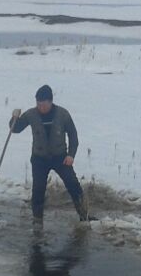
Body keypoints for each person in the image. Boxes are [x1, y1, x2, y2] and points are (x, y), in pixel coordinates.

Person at [9, 84, 92, 222]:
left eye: (43, 104)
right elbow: (15, 128)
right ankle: (37, 220)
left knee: (73, 185)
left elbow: (73, 136)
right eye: (38, 104)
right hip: (39, 159)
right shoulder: (31, 114)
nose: (40, 107)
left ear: (51, 101)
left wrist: (71, 155)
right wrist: (14, 118)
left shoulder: (62, 114)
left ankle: (84, 216)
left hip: (60, 157)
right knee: (38, 190)